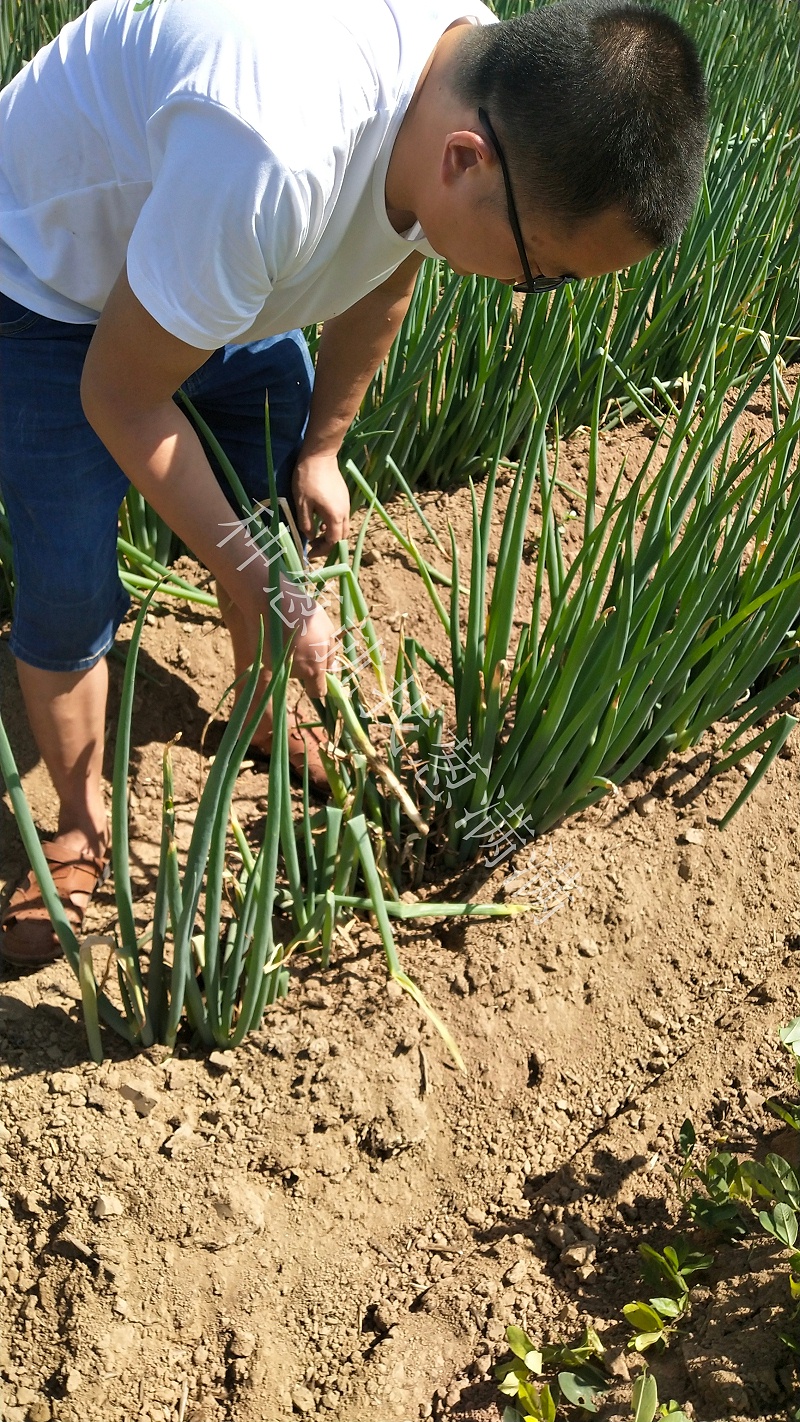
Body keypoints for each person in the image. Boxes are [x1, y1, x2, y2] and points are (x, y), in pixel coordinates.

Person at [0, 0, 707, 966]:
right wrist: (267, 584)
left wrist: (323, 448)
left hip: (203, 255)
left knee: (266, 509)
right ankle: (78, 831)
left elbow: (394, 257)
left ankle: (264, 710)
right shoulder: (272, 154)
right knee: (69, 581)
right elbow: (120, 397)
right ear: (466, 159)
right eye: (541, 272)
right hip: (49, 282)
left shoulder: (466, 72)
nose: (526, 294)